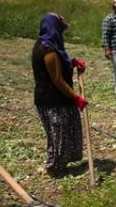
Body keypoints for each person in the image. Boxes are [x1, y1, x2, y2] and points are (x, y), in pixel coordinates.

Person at [32, 13, 89, 175]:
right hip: (52, 100)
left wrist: (72, 63)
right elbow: (57, 79)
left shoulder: (52, 45)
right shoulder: (47, 50)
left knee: (67, 131)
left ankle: (63, 165)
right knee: (59, 135)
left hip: (61, 98)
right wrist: (76, 97)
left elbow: (59, 67)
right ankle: (54, 168)